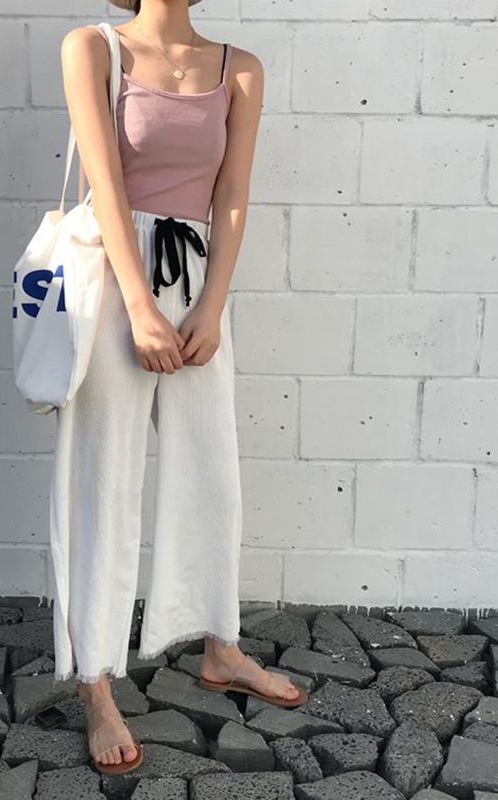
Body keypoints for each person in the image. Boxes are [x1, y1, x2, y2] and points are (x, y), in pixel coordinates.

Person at [57, 0, 306, 775]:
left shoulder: (240, 69)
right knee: (104, 475)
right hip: (115, 278)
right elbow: (104, 182)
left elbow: (232, 193)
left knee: (211, 471)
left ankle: (220, 646)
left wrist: (212, 304)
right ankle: (96, 680)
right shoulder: (93, 48)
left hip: (195, 276)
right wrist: (138, 305)